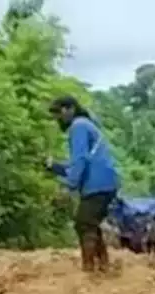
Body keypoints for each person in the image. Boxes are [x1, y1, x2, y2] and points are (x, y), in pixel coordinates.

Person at [44, 95, 121, 273]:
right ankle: (103, 266)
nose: (57, 119)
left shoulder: (78, 127)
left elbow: (80, 161)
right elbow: (80, 163)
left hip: (97, 185)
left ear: (69, 109)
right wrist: (55, 167)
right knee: (90, 223)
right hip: (106, 183)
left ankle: (90, 270)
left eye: (58, 113)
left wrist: (67, 186)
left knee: (84, 224)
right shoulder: (87, 125)